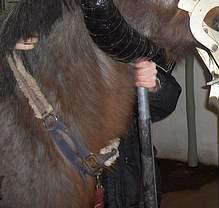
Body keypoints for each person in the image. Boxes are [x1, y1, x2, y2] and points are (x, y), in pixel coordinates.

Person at [15, 38, 181, 208]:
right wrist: (9, 49)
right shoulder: (47, 39)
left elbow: (168, 100)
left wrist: (153, 85)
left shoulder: (121, 34)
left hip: (127, 178)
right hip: (61, 177)